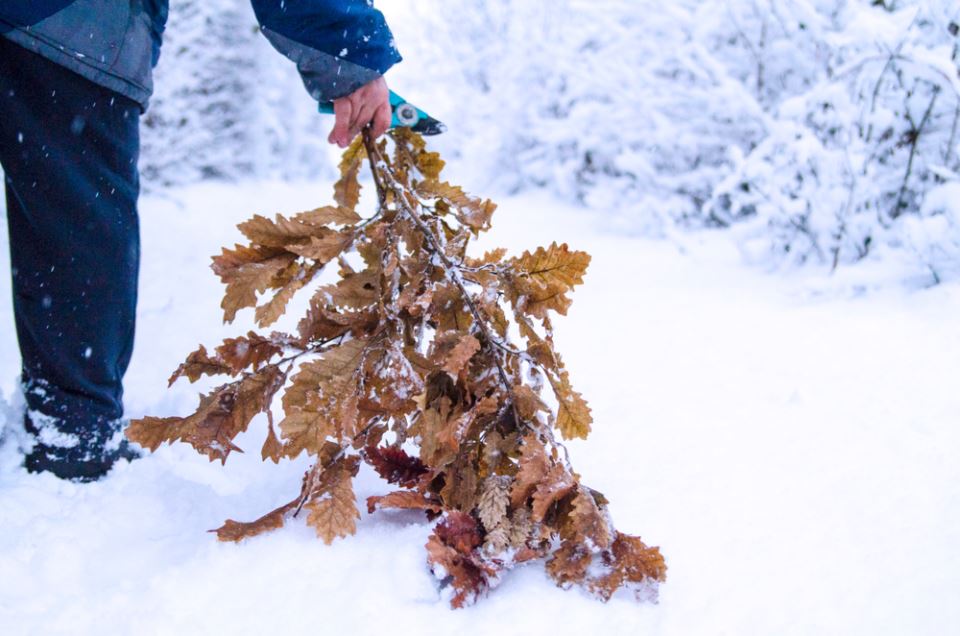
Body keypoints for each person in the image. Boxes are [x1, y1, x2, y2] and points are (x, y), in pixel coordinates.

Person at [0, 1, 400, 482]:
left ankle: (69, 431)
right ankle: (70, 436)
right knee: (77, 219)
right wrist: (352, 51)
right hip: (66, 26)